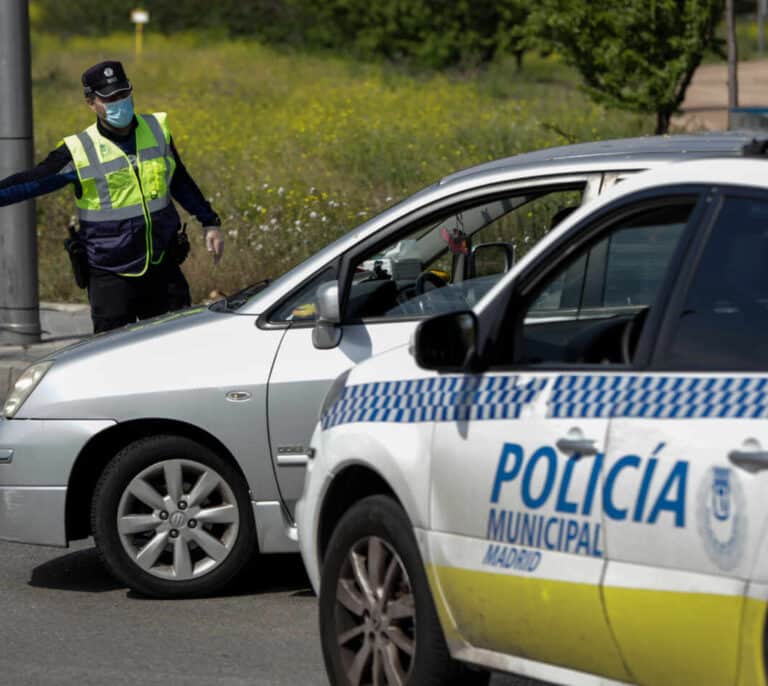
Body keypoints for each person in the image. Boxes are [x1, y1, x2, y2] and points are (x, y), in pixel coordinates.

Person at [0, 60, 224, 333]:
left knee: (174, 351)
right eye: (110, 99)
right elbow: (30, 183)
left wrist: (209, 221)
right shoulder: (79, 150)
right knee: (112, 361)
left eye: (124, 94)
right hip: (111, 275)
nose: (120, 103)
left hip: (162, 266)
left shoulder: (156, 129)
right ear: (91, 103)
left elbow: (178, 179)